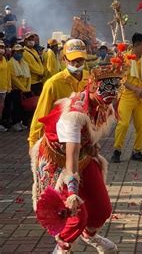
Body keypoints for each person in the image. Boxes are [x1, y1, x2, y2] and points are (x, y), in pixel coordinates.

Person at [30, 56, 126, 254]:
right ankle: (62, 248)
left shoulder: (105, 105)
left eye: (115, 87)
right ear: (92, 86)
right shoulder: (73, 115)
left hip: (82, 154)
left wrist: (91, 147)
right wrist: (72, 193)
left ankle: (90, 236)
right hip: (58, 158)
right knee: (75, 215)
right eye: (106, 87)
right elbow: (70, 161)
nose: (112, 92)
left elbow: (90, 135)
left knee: (102, 208)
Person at [28, 39, 89, 148]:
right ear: (64, 59)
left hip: (84, 138)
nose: (77, 63)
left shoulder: (90, 79)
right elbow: (40, 115)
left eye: (80, 60)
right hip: (58, 138)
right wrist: (33, 143)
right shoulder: (53, 83)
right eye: (73, 60)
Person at [111, 33, 142, 163]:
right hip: (126, 96)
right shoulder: (124, 58)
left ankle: (137, 151)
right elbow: (121, 78)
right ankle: (117, 151)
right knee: (123, 124)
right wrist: (136, 89)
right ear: (136, 45)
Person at [6, 44, 31, 131]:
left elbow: (28, 76)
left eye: (21, 52)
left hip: (25, 89)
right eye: (17, 52)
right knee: (16, 107)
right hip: (16, 89)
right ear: (13, 53)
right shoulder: (10, 63)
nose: (19, 54)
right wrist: (22, 88)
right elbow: (13, 77)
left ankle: (21, 122)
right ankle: (15, 123)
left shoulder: (24, 63)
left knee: (23, 107)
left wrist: (27, 87)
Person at [0, 40, 10, 132]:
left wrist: (8, 87)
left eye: (2, 47)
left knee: (1, 108)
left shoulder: (4, 60)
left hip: (3, 88)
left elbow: (7, 74)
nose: (1, 50)